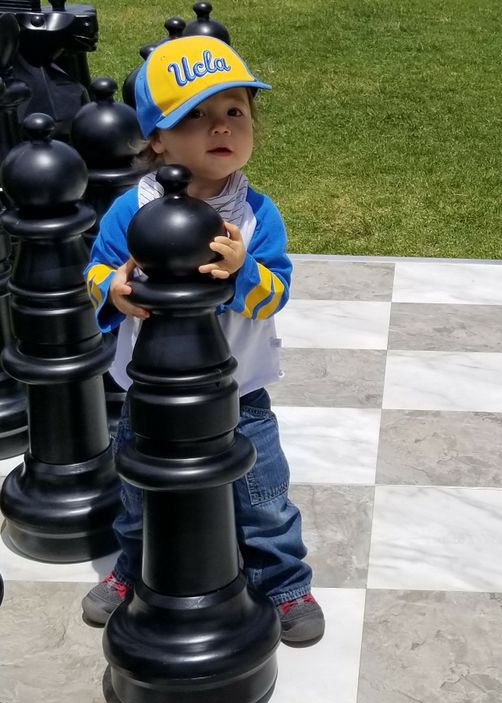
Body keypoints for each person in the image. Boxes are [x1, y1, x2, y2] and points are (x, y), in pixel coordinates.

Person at [80, 35, 325, 643]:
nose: (220, 126)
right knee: (140, 490)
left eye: (234, 110)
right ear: (156, 140)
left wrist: (242, 271)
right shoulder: (129, 210)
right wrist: (114, 289)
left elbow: (274, 296)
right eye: (194, 115)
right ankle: (133, 569)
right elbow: (95, 272)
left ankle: (284, 582)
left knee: (264, 498)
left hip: (241, 391)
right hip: (152, 391)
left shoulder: (256, 215)